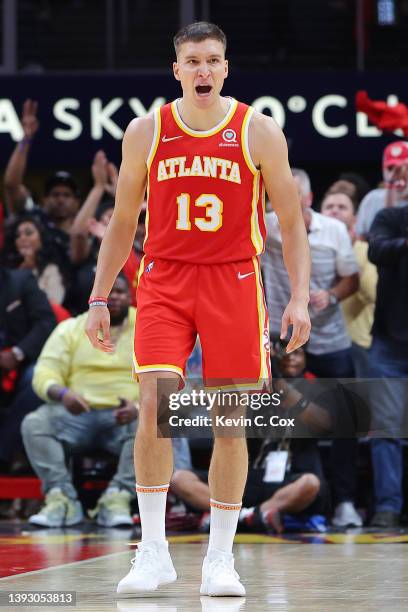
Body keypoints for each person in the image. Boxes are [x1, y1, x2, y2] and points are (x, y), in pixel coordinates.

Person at [86, 21, 311, 598]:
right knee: (155, 403)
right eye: (193, 61)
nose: (204, 70)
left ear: (226, 68)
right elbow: (120, 223)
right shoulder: (146, 131)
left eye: (213, 60)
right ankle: (154, 551)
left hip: (234, 281)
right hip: (164, 279)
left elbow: (290, 222)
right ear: (177, 70)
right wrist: (97, 296)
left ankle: (220, 558)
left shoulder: (258, 131)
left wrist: (301, 298)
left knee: (229, 422)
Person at [262, 168, 363, 528]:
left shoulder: (333, 230)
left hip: (329, 339)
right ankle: (264, 497)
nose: (282, 202)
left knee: (346, 420)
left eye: (290, 195)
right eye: (276, 195)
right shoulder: (265, 224)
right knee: (268, 415)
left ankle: (346, 501)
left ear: (306, 199)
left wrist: (331, 295)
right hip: (280, 338)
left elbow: (352, 279)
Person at [170, 341, 329, 535]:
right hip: (249, 476)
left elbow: (323, 425)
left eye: (297, 354)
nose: (291, 359)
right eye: (285, 354)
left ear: (306, 358)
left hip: (290, 476)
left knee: (311, 483)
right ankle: (249, 516)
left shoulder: (313, 385)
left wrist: (279, 384)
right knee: (180, 479)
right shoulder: (252, 386)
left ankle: (239, 515)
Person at [21, 275, 139, 528]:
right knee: (35, 423)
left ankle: (118, 498)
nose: (115, 297)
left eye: (120, 292)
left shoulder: (145, 324)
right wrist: (64, 394)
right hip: (76, 415)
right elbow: (44, 373)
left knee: (154, 421)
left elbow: (164, 374)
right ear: (95, 299)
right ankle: (60, 497)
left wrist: (139, 407)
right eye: (108, 293)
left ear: (130, 296)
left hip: (125, 417)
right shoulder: (72, 328)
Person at [367, 202, 408, 528]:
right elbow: (377, 250)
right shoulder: (391, 217)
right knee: (386, 428)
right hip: (389, 343)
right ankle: (388, 507)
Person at [0, 264, 56, 472]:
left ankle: (4, 452)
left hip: (22, 359)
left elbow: (46, 322)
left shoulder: (20, 280)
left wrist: (17, 353)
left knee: (36, 379)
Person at [321, 187, 377, 378]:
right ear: (320, 215)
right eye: (329, 207)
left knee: (358, 405)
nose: (335, 210)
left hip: (358, 344)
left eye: (342, 207)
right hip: (320, 343)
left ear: (355, 219)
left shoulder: (366, 251)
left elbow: (374, 293)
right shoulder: (311, 251)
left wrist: (353, 269)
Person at [3, 216, 67, 306]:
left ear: (41, 238)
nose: (22, 238)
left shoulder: (51, 268)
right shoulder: (7, 271)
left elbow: (55, 302)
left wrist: (29, 275)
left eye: (28, 233)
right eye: (17, 235)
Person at [355, 141, 408, 239]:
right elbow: (360, 240)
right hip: (379, 253)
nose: (397, 174)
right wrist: (390, 186)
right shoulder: (372, 199)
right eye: (390, 168)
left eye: (405, 168)